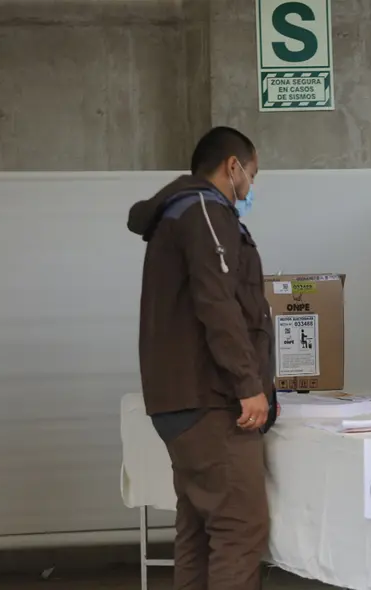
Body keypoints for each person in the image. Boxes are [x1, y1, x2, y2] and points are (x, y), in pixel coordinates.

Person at [127, 126, 276, 590]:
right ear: (233, 167)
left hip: (180, 401)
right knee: (239, 527)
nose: (249, 187)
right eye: (251, 175)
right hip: (210, 401)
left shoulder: (177, 214)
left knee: (197, 529)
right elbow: (218, 303)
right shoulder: (207, 211)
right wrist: (248, 384)